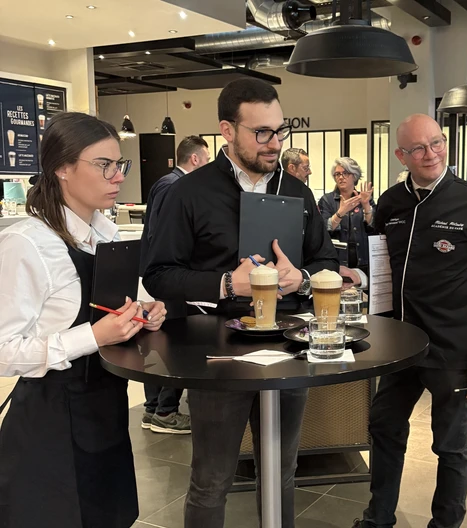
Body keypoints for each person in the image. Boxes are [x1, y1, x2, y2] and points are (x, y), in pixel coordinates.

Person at [142, 78, 338, 528]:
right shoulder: (188, 192)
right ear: (227, 131)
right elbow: (158, 274)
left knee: (282, 471)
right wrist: (228, 284)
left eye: (280, 130)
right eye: (261, 132)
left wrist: (303, 277)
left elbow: (326, 259)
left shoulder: (297, 191)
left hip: (289, 346)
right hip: (216, 353)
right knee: (211, 479)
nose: (275, 143)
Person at [0, 112, 166, 528]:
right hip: (49, 425)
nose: (118, 177)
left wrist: (146, 311)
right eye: (104, 165)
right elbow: (3, 352)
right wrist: (91, 336)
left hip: (105, 413)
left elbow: (128, 299)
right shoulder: (27, 243)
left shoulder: (107, 233)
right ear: (62, 168)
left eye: (119, 164)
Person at [353, 114, 467, 528]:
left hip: (453, 349)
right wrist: (361, 279)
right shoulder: (391, 203)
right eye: (418, 148)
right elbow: (382, 265)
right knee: (383, 426)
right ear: (400, 155)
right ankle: (378, 518)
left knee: (450, 445)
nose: (431, 154)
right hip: (400, 346)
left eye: (437, 143)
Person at [139, 135, 210, 435]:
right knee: (176, 343)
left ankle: (153, 409)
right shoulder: (175, 186)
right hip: (171, 275)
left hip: (164, 273)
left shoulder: (166, 183)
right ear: (195, 159)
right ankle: (165, 412)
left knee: (164, 340)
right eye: (207, 160)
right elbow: (165, 236)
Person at [318, 157, 375, 289]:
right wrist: (341, 212)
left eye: (345, 173)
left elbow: (373, 227)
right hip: (338, 261)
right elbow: (324, 229)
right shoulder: (327, 200)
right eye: (337, 174)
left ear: (354, 176)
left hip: (363, 260)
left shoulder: (365, 198)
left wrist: (366, 205)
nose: (341, 177)